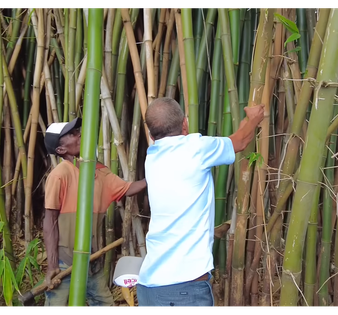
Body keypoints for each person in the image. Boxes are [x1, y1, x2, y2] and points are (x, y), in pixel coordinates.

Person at [136, 97, 265, 308]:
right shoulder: (196, 148)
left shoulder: (152, 157)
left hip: (149, 288)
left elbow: (235, 139)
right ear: (185, 124)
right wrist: (254, 118)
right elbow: (241, 141)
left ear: (151, 135)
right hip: (184, 290)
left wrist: (247, 123)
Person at [42, 117, 147, 308]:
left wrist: (156, 175)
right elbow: (50, 222)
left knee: (103, 303)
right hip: (65, 259)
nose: (80, 135)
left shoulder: (100, 173)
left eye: (78, 131)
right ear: (61, 150)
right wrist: (52, 264)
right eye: (72, 134)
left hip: (92, 258)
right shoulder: (60, 174)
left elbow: (128, 188)